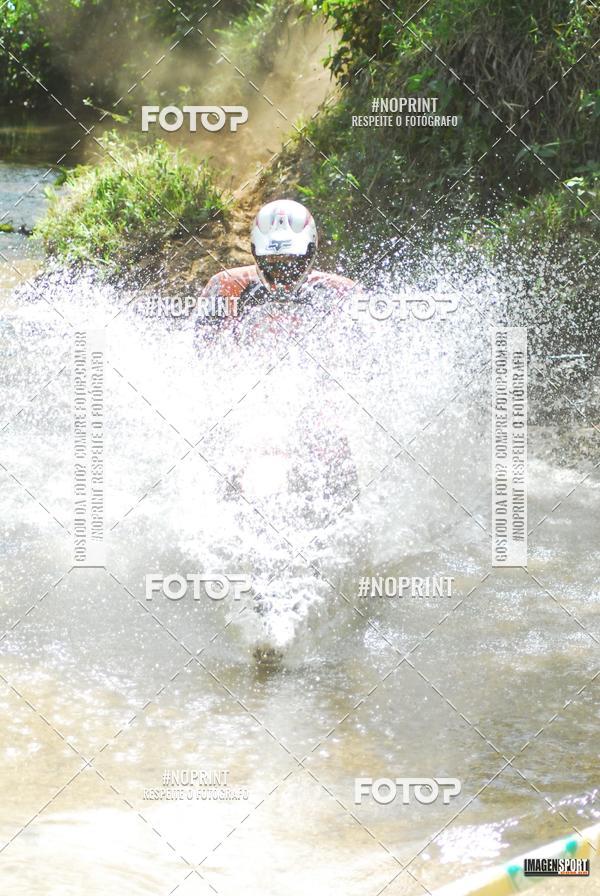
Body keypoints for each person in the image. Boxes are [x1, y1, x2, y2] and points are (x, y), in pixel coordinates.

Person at [196, 199, 357, 334]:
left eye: (290, 259)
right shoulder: (228, 285)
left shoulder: (342, 291)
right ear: (255, 252)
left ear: (311, 251)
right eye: (272, 260)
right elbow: (201, 350)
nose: (282, 270)